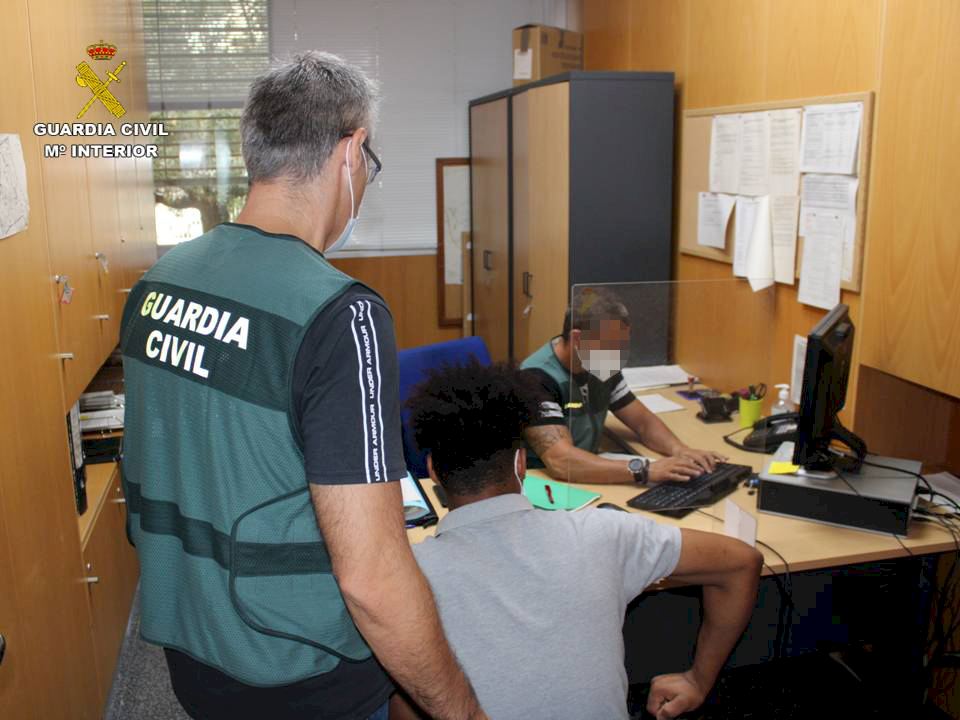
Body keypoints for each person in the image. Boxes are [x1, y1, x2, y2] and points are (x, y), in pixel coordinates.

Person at [119, 52, 484, 720]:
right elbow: (373, 579)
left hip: (193, 650)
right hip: (302, 672)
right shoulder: (340, 314)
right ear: (351, 151)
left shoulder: (158, 283)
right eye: (369, 165)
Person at [398, 361, 763, 719]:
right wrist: (697, 681)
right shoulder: (602, 533)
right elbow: (742, 561)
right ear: (521, 464)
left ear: (433, 472)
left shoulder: (407, 578)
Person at [521, 288, 726, 485]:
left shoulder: (599, 365)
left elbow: (643, 423)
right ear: (577, 338)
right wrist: (644, 470)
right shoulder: (535, 379)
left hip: (586, 472)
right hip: (547, 483)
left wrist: (679, 450)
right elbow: (560, 461)